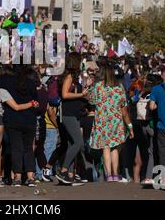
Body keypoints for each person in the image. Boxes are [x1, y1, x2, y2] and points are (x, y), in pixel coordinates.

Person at [0, 65, 39, 187]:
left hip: (12, 118)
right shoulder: (30, 82)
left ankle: (17, 177)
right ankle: (30, 177)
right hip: (29, 118)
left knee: (16, 148)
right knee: (28, 148)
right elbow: (36, 100)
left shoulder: (6, 80)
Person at [88, 63, 134, 182]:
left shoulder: (98, 86)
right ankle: (115, 174)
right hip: (116, 121)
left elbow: (91, 101)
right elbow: (124, 109)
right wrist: (129, 126)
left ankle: (108, 175)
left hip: (102, 121)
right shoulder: (119, 87)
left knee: (106, 147)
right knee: (115, 147)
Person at [55, 53, 89, 185]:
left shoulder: (73, 77)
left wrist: (83, 93)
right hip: (68, 114)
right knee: (78, 142)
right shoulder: (69, 76)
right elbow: (64, 94)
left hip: (74, 113)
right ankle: (63, 170)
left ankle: (69, 175)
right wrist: (81, 94)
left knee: (71, 143)